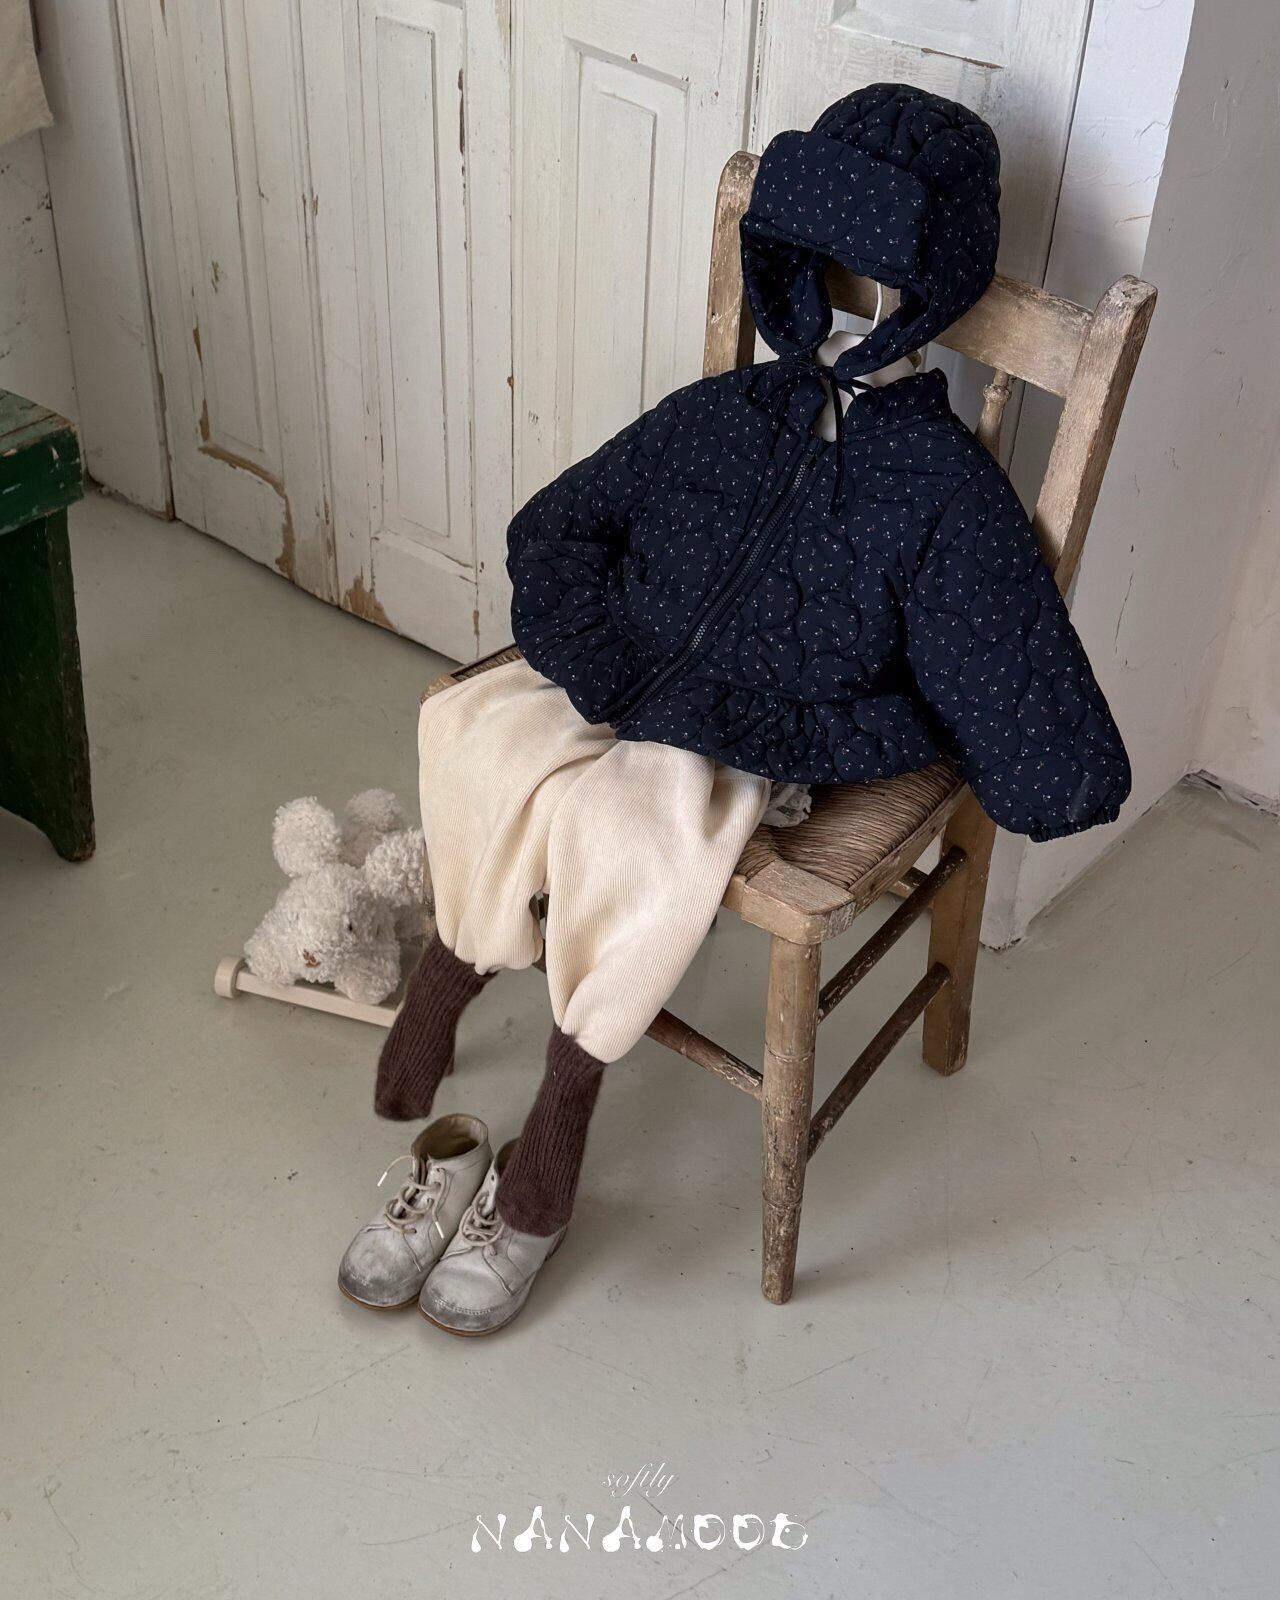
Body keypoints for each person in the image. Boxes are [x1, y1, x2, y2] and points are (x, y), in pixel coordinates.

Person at [338, 83, 1131, 1335]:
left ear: (926, 287)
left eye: (876, 268)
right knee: (471, 731)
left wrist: (821, 735)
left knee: (630, 831)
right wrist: (589, 646)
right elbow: (556, 525)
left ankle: (556, 1124)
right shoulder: (721, 413)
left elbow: (1035, 751)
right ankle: (446, 977)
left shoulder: (941, 491)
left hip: (747, 735)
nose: (847, 291)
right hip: (618, 655)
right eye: (822, 255)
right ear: (788, 254)